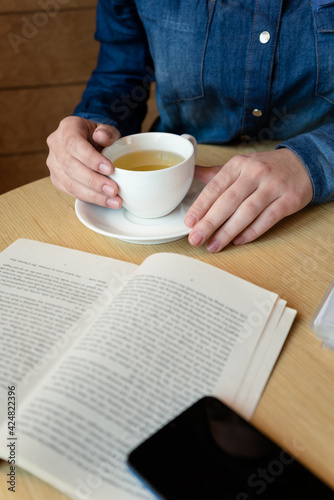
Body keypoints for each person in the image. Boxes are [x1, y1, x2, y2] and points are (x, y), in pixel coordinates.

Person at [46, 0, 334, 252]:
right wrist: (95, 128)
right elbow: (122, 73)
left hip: (311, 204)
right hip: (185, 197)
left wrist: (312, 161)